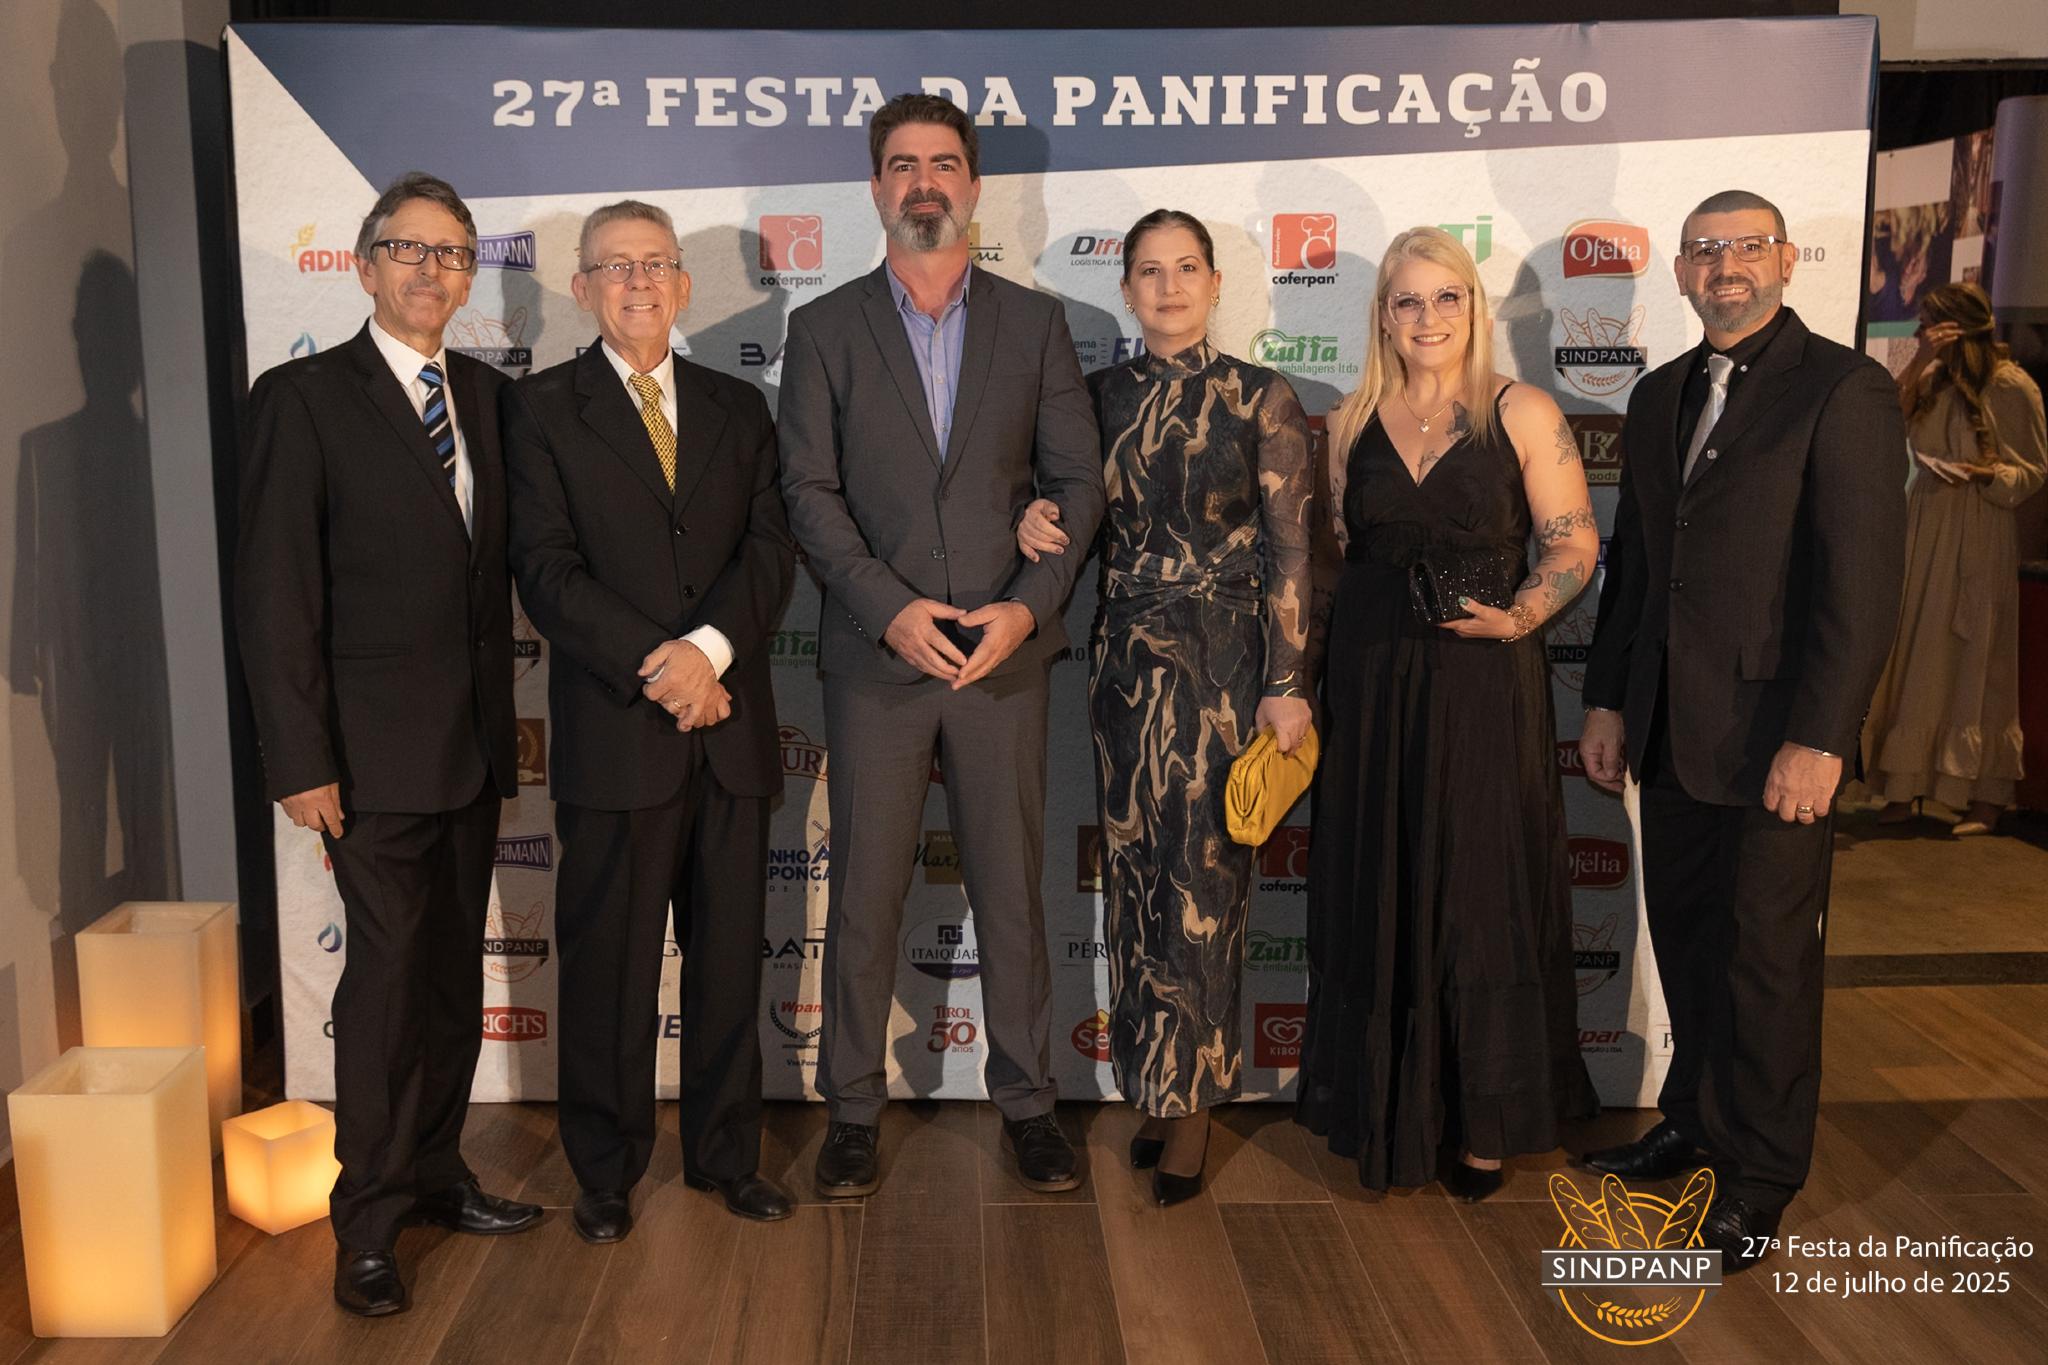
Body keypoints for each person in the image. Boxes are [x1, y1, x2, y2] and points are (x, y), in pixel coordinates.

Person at [779, 93, 1105, 1197]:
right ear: (876, 187)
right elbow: (808, 492)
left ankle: (1029, 1103)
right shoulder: (822, 329)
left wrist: (1027, 607)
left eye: (945, 163)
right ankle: (852, 1110)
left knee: (1011, 892)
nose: (925, 182)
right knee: (864, 894)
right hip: (881, 656)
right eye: (904, 164)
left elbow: (1077, 483)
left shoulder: (1036, 325)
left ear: (973, 185)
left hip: (1003, 655)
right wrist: (891, 609)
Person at [1579, 191, 1906, 1271]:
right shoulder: (1660, 393)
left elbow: (1861, 583)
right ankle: (1694, 1122)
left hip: (1779, 741)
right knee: (1686, 939)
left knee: (1765, 962)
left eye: (1746, 247)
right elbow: (1637, 565)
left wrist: (1823, 736)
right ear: (1680, 272)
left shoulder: (1843, 389)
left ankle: (1760, 1175)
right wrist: (1608, 698)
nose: (1725, 267)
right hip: (1672, 729)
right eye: (1705, 250)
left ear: (1785, 260)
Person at [235, 172, 539, 1317]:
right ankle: (364, 1223)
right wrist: (299, 759)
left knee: (450, 979)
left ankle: (435, 1174)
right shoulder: (302, 397)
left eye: (451, 253)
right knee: (384, 990)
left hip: (471, 749)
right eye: (408, 249)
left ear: (468, 279)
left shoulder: (488, 397)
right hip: (362, 764)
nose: (430, 269)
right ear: (364, 266)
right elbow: (275, 595)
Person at [504, 201, 797, 1240]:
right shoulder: (539, 410)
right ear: (581, 288)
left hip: (729, 734)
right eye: (614, 266)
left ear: (683, 285)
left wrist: (707, 654)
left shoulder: (740, 407)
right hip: (616, 737)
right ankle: (605, 1172)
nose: (637, 281)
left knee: (727, 968)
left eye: (655, 264)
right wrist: (666, 668)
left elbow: (770, 551)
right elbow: (546, 570)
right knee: (609, 975)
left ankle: (726, 1159)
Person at [1296, 225, 1599, 1202]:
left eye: (1445, 297)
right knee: (1378, 881)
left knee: (1478, 893)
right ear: (1382, 317)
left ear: (1471, 307)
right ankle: (1387, 1110)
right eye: (1407, 301)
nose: (1426, 317)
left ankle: (1482, 1127)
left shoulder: (1521, 411)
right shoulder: (1349, 422)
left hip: (1481, 684)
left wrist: (1520, 615)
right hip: (1372, 686)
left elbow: (1573, 545)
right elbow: (1336, 557)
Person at [1016, 209, 1312, 1205]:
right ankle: (1155, 1087)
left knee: (1205, 891)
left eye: (1187, 268)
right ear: (1126, 288)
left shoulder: (1260, 397)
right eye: (1150, 270)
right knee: (1138, 887)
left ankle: (1193, 1116)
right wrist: (1029, 512)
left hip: (1227, 674)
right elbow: (1063, 511)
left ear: (1215, 283)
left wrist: (1286, 683)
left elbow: (1293, 551)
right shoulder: (1096, 398)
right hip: (1123, 673)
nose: (1169, 287)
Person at [1865, 282, 2045, 836]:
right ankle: (1905, 785)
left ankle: (1986, 797)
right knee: (1918, 650)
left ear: (1959, 327)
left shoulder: (2010, 385)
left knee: (1976, 654)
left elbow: (2033, 468)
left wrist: (1985, 474)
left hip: (1979, 523)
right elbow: (1884, 423)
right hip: (1926, 517)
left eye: (1931, 324)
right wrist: (1920, 357)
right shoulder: (1933, 376)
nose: (1923, 331)